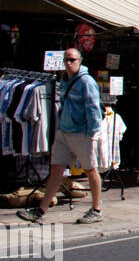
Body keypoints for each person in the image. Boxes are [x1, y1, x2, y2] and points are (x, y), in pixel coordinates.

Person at [18, 48, 105, 224]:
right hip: (64, 132)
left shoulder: (86, 82)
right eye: (66, 59)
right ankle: (41, 210)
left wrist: (91, 134)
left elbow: (94, 110)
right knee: (56, 169)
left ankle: (96, 209)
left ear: (80, 61)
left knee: (90, 170)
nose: (68, 63)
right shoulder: (64, 79)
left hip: (82, 133)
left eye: (72, 59)